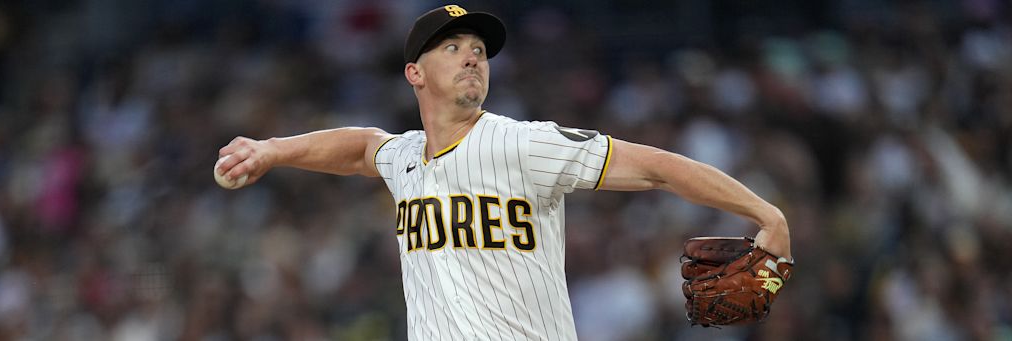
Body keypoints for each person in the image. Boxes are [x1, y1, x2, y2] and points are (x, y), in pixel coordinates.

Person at [215, 5, 791, 340]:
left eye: (479, 50)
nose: (472, 56)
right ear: (414, 73)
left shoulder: (523, 143)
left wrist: (765, 213)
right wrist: (272, 149)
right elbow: (363, 148)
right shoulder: (405, 158)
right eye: (454, 48)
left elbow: (659, 168)